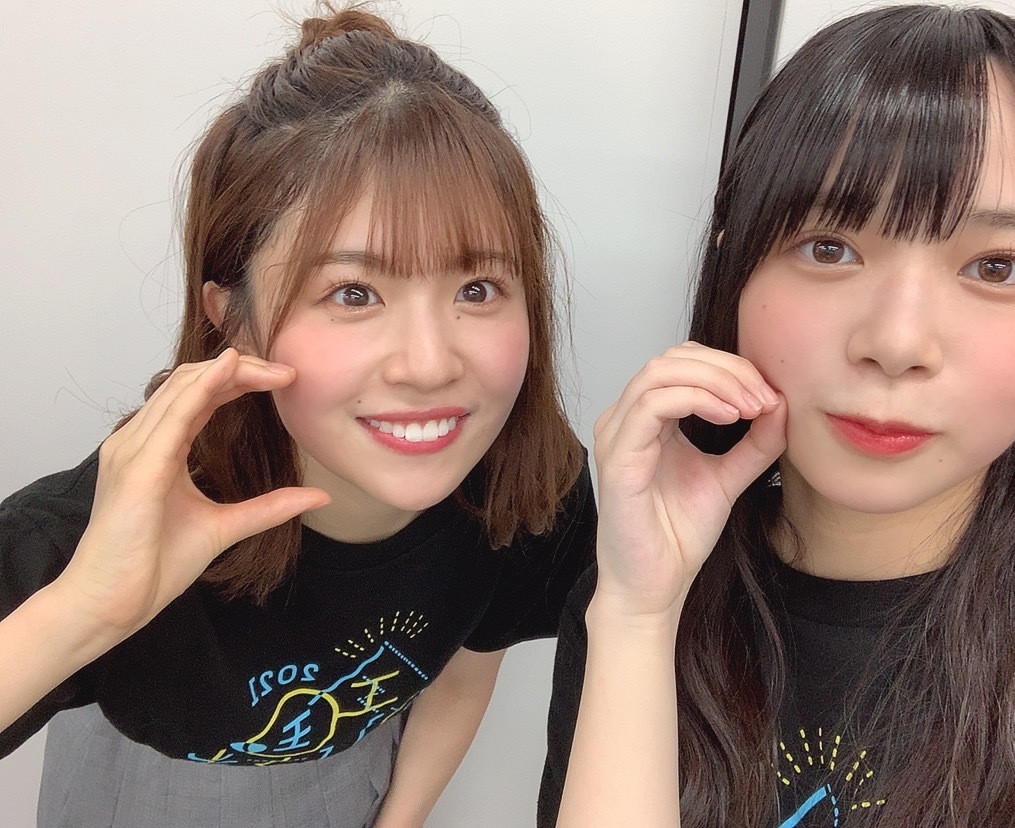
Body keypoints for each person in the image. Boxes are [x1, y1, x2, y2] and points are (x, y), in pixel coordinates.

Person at [0, 6, 595, 827]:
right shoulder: (93, 530)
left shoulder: (529, 489)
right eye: (353, 293)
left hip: (350, 777)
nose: (429, 363)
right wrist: (85, 610)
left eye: (476, 288)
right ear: (233, 320)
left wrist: (398, 818)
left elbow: (467, 663)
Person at [539, 5, 1015, 826]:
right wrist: (636, 617)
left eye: (996, 266)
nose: (896, 343)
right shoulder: (635, 595)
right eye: (829, 248)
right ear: (736, 270)